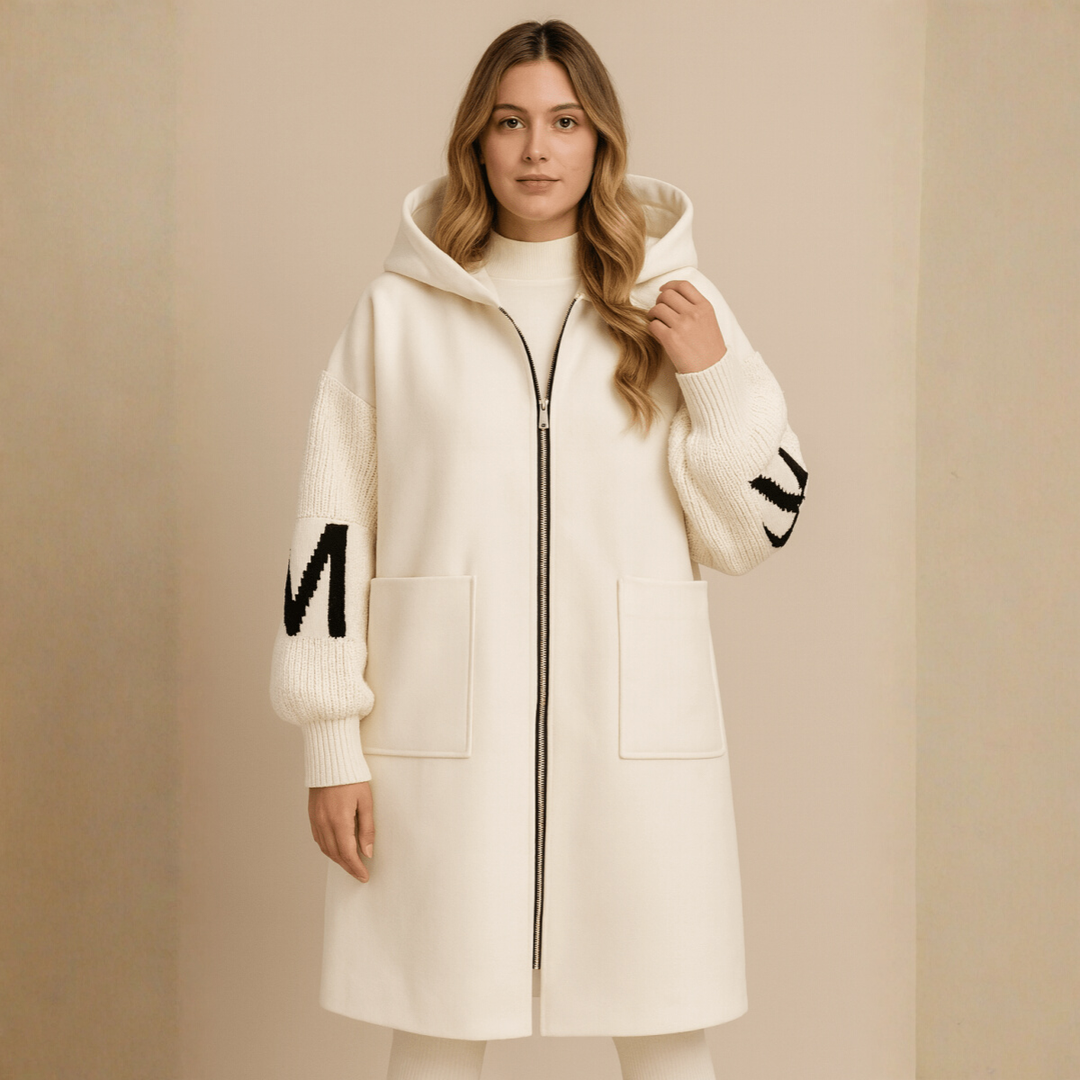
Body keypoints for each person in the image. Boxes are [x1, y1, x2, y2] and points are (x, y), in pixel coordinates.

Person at [270, 19, 807, 1080]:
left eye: (565, 123)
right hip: (440, 735)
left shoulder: (676, 306)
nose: (536, 150)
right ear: (476, 140)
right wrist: (332, 742)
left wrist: (709, 377)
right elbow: (327, 538)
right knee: (434, 1027)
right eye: (510, 122)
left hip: (637, 734)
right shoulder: (396, 316)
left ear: (602, 140)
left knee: (667, 1032)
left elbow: (759, 528)